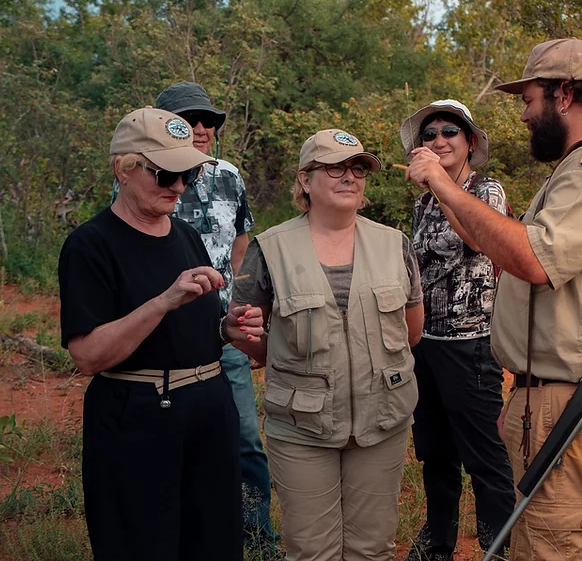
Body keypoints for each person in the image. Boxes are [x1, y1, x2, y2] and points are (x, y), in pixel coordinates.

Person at [405, 38, 582, 561]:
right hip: (555, 395)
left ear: (563, 95)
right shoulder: (575, 167)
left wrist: (441, 183)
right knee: (542, 543)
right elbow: (490, 242)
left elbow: (533, 259)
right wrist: (526, 397)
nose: (524, 115)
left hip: (578, 399)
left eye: (529, 100)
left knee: (564, 548)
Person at [59, 107, 267, 560]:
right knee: (142, 543)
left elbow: (193, 328)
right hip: (137, 418)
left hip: (210, 409)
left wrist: (226, 328)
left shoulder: (187, 235)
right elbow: (88, 356)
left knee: (215, 543)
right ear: (124, 169)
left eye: (187, 174)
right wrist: (163, 301)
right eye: (165, 174)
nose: (178, 187)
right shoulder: (90, 245)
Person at [231, 129, 425, 561]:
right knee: (311, 549)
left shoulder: (395, 244)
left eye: (358, 168)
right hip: (302, 427)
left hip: (382, 422)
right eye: (334, 168)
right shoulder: (270, 249)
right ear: (305, 179)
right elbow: (246, 332)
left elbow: (411, 333)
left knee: (371, 548)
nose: (349, 176)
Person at [151, 81, 279, 551]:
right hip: (167, 333)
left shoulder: (230, 175)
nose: (202, 128)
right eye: (189, 120)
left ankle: (256, 535)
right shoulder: (146, 178)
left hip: (225, 332)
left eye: (208, 121)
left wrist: (237, 306)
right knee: (172, 440)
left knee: (244, 436)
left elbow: (241, 245)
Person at [399, 100, 514, 560]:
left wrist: (441, 185)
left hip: (472, 344)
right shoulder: (424, 201)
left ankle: (497, 547)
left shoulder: (486, 190)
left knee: (485, 456)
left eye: (450, 131)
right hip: (425, 343)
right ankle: (438, 544)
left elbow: (478, 238)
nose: (439, 140)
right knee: (435, 453)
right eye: (429, 134)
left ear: (470, 142)